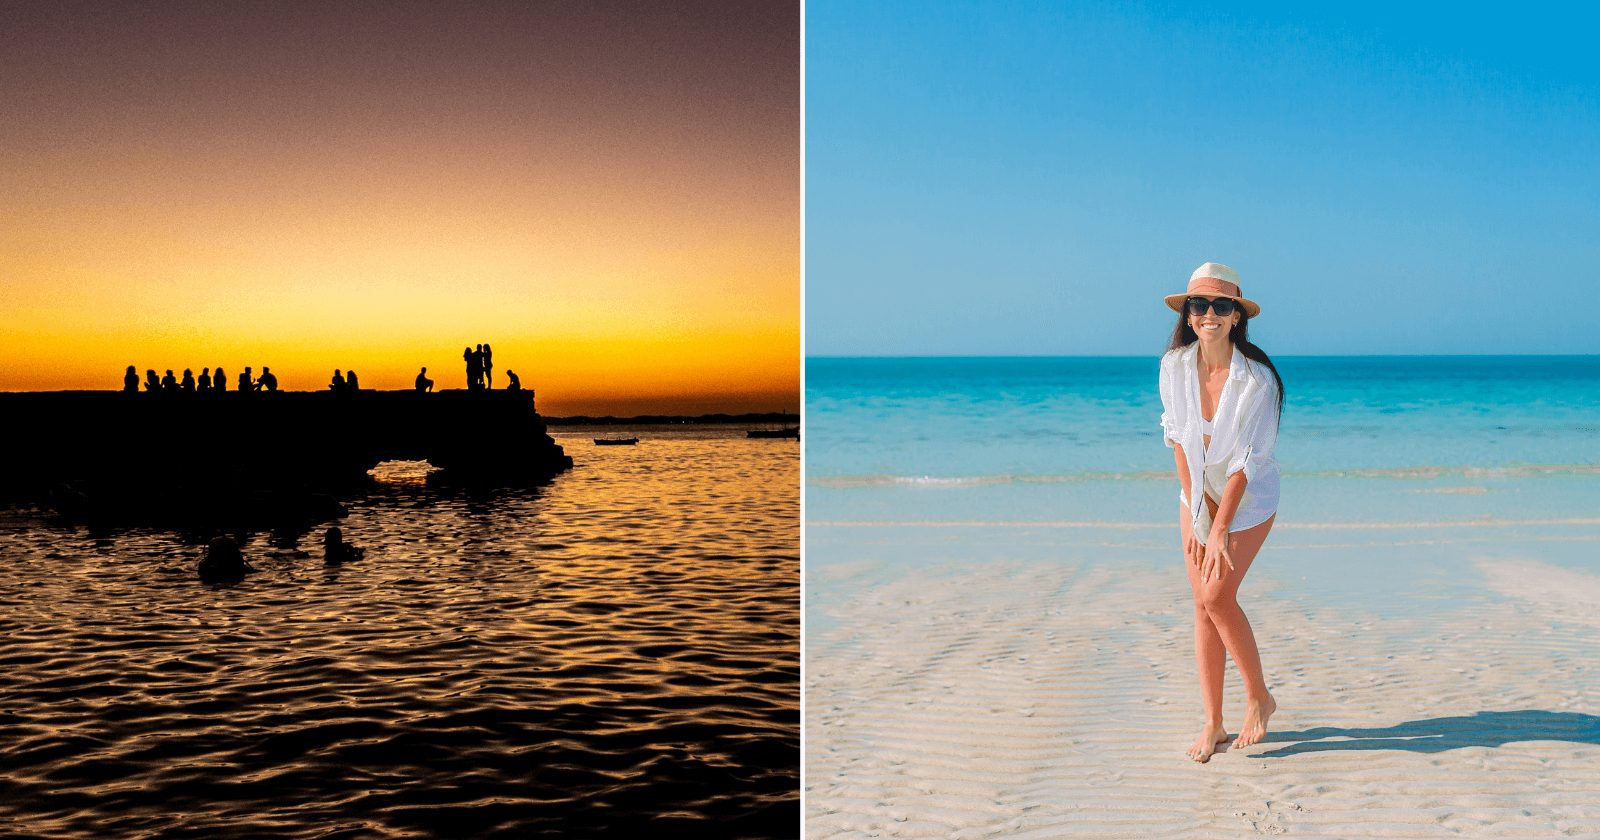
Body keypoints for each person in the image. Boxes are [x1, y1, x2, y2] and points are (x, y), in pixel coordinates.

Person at [1158, 262, 1284, 763]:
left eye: (1221, 306)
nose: (1209, 314)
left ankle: (1260, 697)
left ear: (1236, 317)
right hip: (1196, 494)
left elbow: (1245, 467)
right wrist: (1195, 514)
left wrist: (1220, 527)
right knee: (1201, 604)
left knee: (1215, 594)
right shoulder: (1173, 367)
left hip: (1247, 502)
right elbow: (1175, 438)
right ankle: (1213, 722)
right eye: (1199, 305)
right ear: (1188, 316)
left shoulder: (1258, 383)